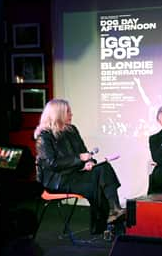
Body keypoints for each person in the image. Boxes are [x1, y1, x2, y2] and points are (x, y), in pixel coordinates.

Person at [34, 98, 124, 235]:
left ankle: (114, 210)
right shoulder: (44, 136)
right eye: (68, 112)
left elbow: (84, 152)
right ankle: (108, 224)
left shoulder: (72, 130)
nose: (71, 115)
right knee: (97, 185)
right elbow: (52, 164)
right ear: (57, 114)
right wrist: (79, 159)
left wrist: (89, 162)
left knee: (104, 168)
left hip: (76, 173)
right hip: (59, 180)